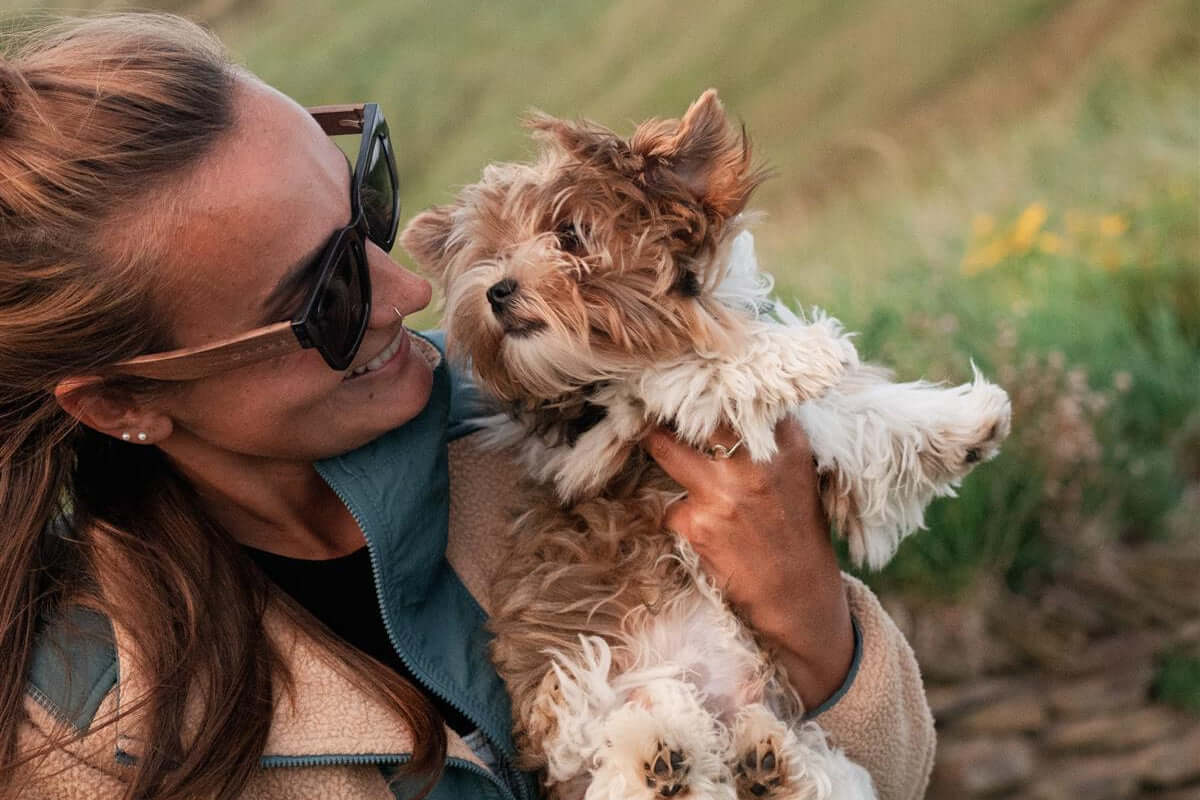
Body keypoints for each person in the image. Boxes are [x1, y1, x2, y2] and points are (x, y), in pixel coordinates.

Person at [0, 13, 935, 800]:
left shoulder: (555, 411)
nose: (408, 290)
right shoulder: (75, 731)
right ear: (122, 399)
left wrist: (807, 612)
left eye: (367, 205)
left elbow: (896, 770)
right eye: (325, 300)